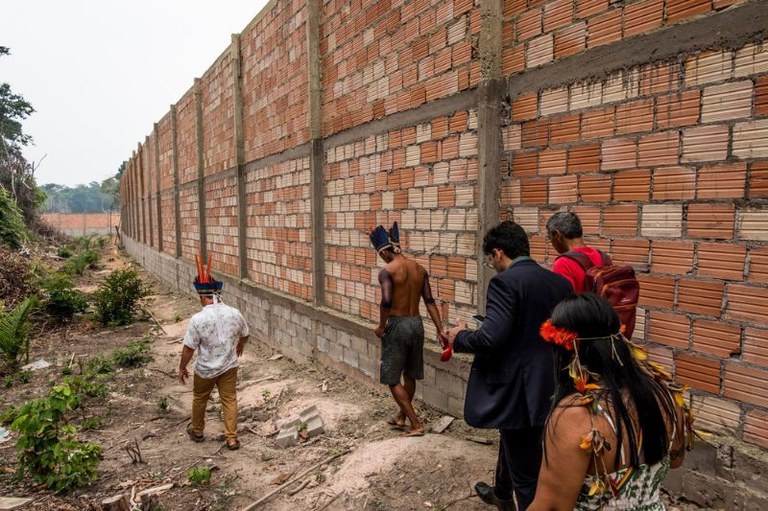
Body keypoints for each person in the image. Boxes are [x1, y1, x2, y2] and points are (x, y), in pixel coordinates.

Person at [444, 220, 571, 510]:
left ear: (498, 253)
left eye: (491, 259)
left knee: (527, 476)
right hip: (553, 384)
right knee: (514, 442)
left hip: (520, 391)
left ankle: (520, 502)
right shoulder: (559, 283)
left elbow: (491, 338)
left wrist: (460, 336)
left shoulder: (504, 282)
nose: (493, 266)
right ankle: (502, 493)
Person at [530, 293, 693, 510]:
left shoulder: (576, 415)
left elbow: (552, 507)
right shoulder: (666, 395)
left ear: (568, 351)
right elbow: (675, 461)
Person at [370, 222, 446, 437]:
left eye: (381, 254)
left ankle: (415, 423)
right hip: (416, 324)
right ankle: (402, 416)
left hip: (397, 325)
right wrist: (440, 329)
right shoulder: (419, 269)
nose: (382, 258)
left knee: (392, 379)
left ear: (384, 251)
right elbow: (430, 301)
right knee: (409, 374)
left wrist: (381, 326)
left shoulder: (387, 271)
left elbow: (386, 302)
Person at [178, 276, 250, 451]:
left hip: (205, 370)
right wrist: (240, 344)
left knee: (200, 398)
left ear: (203, 297)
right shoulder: (234, 313)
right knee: (229, 400)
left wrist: (182, 367)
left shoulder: (197, 319)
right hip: (229, 366)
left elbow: (189, 348)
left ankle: (197, 432)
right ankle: (232, 439)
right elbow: (246, 332)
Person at [546, 211, 612, 292]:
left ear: (557, 235)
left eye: (550, 238)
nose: (551, 243)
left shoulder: (563, 263)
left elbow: (563, 301)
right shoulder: (604, 257)